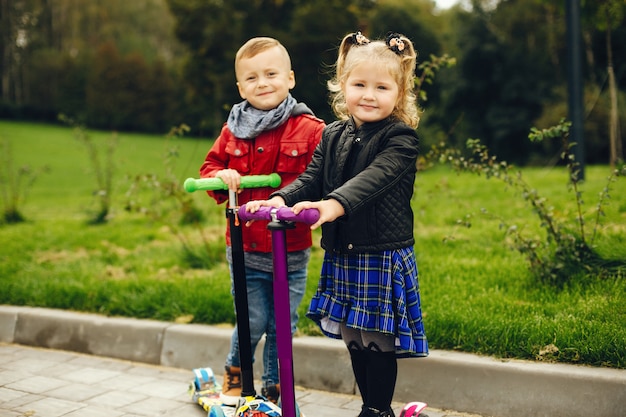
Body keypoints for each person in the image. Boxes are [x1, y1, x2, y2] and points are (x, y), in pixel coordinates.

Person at [244, 31, 428, 417]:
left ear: (399, 92)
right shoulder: (333, 134)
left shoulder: (401, 139)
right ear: (342, 86)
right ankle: (370, 405)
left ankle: (378, 409)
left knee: (377, 337)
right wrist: (279, 199)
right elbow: (311, 178)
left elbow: (373, 179)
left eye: (381, 87)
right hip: (344, 250)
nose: (369, 95)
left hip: (381, 252)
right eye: (359, 84)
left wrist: (331, 205)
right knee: (353, 335)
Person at [199, 36, 324, 405]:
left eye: (271, 74)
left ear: (290, 78)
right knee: (252, 319)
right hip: (245, 246)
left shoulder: (310, 129)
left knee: (281, 323)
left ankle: (275, 385)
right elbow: (209, 167)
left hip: (292, 246)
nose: (262, 83)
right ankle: (236, 374)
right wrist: (221, 176)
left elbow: (324, 175)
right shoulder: (232, 129)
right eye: (251, 78)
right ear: (240, 87)